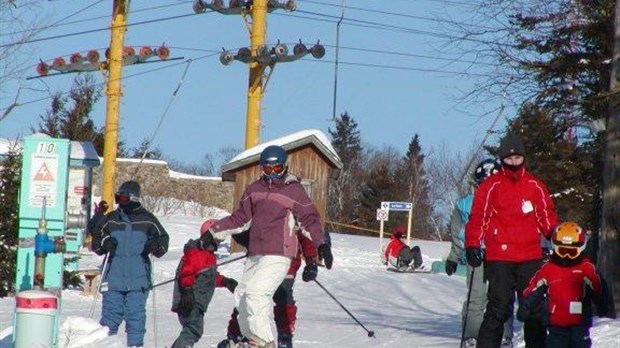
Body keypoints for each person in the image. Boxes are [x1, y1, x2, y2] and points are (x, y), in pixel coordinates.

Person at [200, 145, 334, 348]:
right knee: (243, 297)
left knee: (256, 294)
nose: (272, 174)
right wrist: (213, 232)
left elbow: (310, 220)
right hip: (255, 253)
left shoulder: (294, 190)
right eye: (267, 169)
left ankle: (264, 342)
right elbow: (239, 219)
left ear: (285, 167)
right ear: (262, 168)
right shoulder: (254, 189)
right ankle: (250, 338)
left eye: (277, 169)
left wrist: (321, 245)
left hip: (279, 253)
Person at [464, 133, 559, 348]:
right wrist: (473, 244)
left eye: (517, 158)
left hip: (530, 256)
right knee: (498, 308)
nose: (514, 163)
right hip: (500, 256)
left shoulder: (535, 186)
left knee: (533, 309)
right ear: (502, 159)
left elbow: (546, 216)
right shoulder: (490, 186)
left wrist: (557, 237)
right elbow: (479, 217)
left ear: (524, 158)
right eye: (509, 159)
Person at [90, 180, 170, 347]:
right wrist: (105, 242)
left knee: (135, 318)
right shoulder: (112, 219)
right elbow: (96, 242)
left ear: (134, 198)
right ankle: (104, 344)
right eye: (117, 198)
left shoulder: (147, 220)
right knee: (110, 319)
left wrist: (155, 245)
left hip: (138, 279)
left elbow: (162, 240)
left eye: (123, 198)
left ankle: (135, 345)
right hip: (113, 278)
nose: (120, 202)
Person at [445, 159, 516, 348]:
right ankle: (471, 336)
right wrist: (454, 256)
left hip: (503, 256)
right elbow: (459, 233)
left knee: (502, 296)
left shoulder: (511, 202)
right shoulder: (466, 205)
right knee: (476, 298)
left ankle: (504, 336)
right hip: (477, 256)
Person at [217, 231, 318, 348]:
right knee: (246, 296)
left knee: (283, 299)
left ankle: (284, 337)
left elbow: (305, 233)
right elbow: (247, 226)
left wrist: (310, 261)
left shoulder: (292, 213)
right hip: (260, 260)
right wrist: (243, 237)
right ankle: (236, 335)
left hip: (286, 262)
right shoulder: (260, 212)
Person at [518, 222, 608, 348]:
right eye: (563, 251)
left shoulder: (586, 268)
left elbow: (599, 288)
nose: (566, 257)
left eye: (571, 252)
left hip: (580, 324)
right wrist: (525, 306)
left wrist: (604, 307)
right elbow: (533, 288)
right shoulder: (548, 269)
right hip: (555, 324)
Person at [170, 219, 239, 348]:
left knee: (193, 329)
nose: (219, 242)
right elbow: (187, 272)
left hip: (197, 302)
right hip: (190, 300)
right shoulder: (197, 252)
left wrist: (225, 282)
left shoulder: (208, 255)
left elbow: (208, 277)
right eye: (218, 239)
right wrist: (187, 290)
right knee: (194, 329)